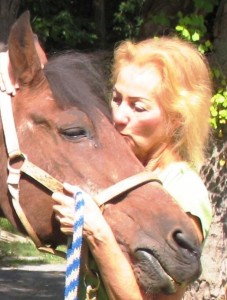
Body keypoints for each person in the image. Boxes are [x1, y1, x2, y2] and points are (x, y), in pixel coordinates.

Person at [0, 36, 213, 300]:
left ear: (176, 118)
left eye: (139, 107)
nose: (119, 116)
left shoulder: (183, 188)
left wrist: (97, 234)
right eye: (116, 99)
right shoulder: (125, 171)